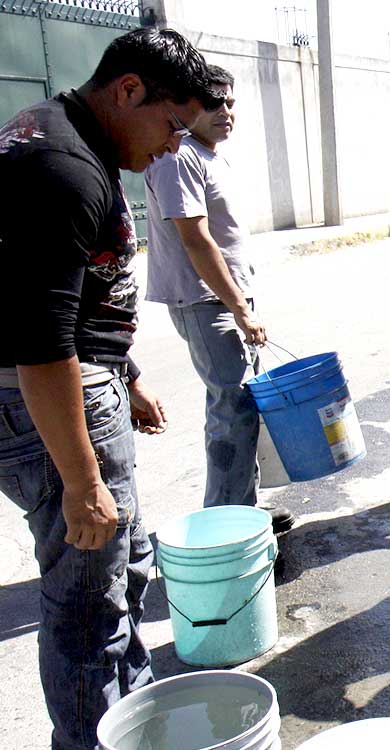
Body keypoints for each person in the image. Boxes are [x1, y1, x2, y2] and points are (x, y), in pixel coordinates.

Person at [0, 28, 221, 750]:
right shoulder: (62, 166)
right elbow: (38, 344)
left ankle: (136, 723)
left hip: (78, 386)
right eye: (171, 125)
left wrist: (124, 376)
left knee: (123, 571)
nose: (172, 146)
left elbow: (68, 293)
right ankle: (93, 740)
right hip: (52, 402)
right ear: (128, 90)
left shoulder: (55, 134)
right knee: (88, 604)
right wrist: (81, 480)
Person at [143, 66, 293, 530]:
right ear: (189, 107)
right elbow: (196, 241)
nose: (225, 112)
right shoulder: (177, 158)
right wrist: (240, 309)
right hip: (206, 303)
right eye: (214, 103)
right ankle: (226, 523)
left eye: (230, 103)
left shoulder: (208, 155)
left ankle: (240, 507)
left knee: (241, 407)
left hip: (227, 300)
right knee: (231, 410)